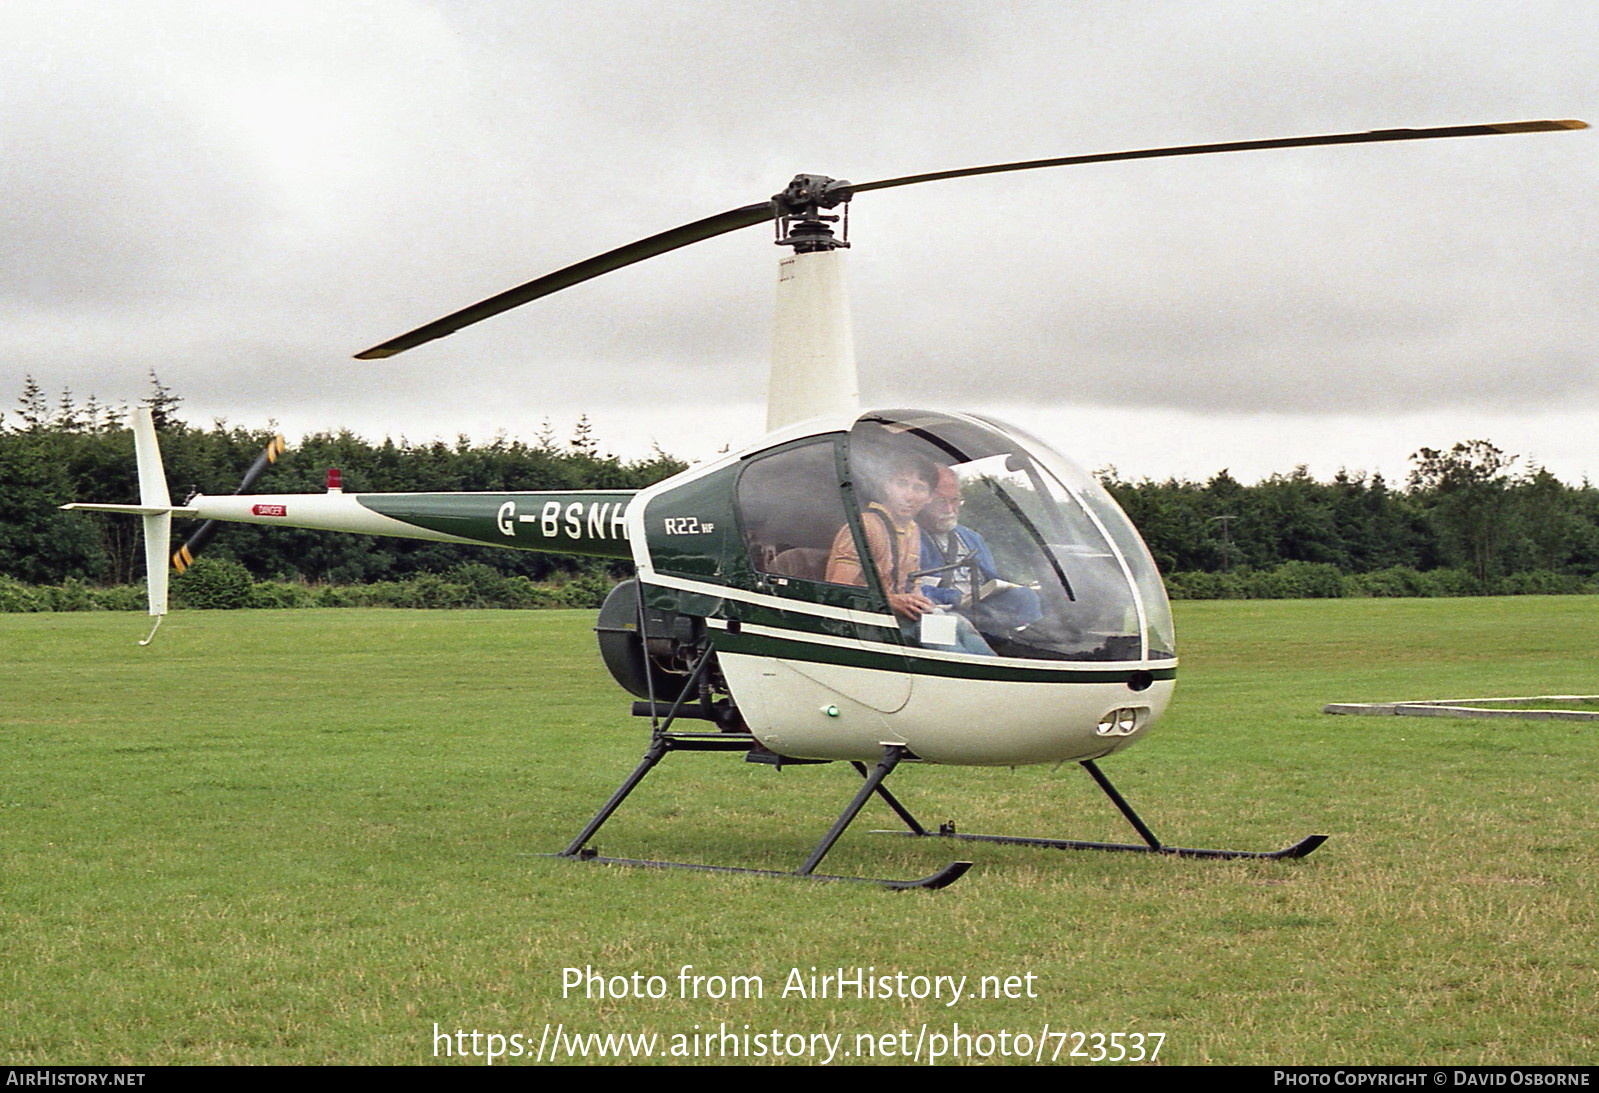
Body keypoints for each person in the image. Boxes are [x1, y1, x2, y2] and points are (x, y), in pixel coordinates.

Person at [826, 451, 994, 655]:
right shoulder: (867, 527)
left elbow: (912, 583)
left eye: (919, 488)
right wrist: (893, 601)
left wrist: (920, 602)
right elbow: (835, 592)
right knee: (940, 636)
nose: (909, 496)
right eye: (901, 484)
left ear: (929, 497)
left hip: (897, 620)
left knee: (959, 624)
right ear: (887, 486)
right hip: (863, 624)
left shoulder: (912, 530)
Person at [916, 465, 1043, 636]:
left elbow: (991, 579)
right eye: (941, 502)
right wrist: (953, 597)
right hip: (943, 611)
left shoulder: (971, 537)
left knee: (1027, 596)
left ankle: (1027, 637)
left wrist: (1004, 588)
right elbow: (906, 588)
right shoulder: (910, 537)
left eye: (955, 500)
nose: (949, 509)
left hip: (981, 606)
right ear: (923, 500)